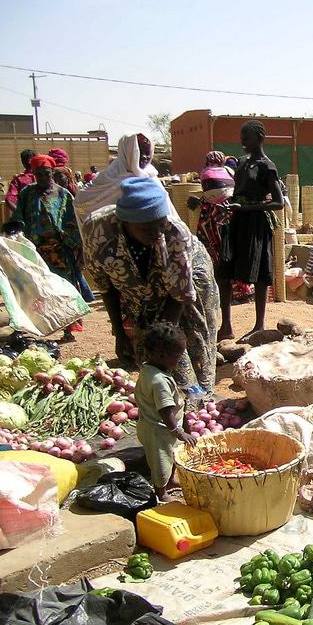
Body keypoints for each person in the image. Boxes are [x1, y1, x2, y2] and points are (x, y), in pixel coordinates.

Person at [82, 176, 219, 392]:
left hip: (188, 279)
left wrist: (163, 343)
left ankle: (200, 396)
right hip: (140, 288)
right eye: (147, 229)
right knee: (146, 349)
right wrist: (119, 332)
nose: (157, 235)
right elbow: (106, 286)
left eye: (160, 226)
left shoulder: (174, 235)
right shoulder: (98, 232)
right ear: (125, 223)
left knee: (187, 343)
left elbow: (180, 297)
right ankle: (164, 396)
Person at [12, 154, 92, 336]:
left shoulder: (64, 194)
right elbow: (19, 217)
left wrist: (78, 250)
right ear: (33, 174)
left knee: (64, 288)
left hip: (60, 251)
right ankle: (41, 326)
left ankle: (68, 328)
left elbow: (74, 223)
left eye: (46, 174)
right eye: (38, 174)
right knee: (38, 289)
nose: (42, 178)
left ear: (52, 173)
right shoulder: (27, 194)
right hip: (36, 251)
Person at [218, 121, 282, 342]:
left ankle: (259, 326)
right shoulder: (242, 163)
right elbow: (238, 192)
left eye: (246, 137)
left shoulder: (268, 166)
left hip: (256, 225)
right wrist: (230, 205)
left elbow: (278, 203)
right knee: (224, 272)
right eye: (241, 137)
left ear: (259, 137)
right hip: (237, 221)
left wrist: (248, 207)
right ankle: (226, 325)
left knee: (260, 275)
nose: (242, 141)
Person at [135, 321, 197, 501]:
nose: (178, 363)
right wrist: (179, 431)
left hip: (159, 428)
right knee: (161, 462)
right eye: (176, 358)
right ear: (162, 355)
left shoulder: (149, 369)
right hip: (159, 431)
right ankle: (160, 492)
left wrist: (179, 392)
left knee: (172, 457)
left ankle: (170, 481)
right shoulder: (159, 381)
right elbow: (164, 410)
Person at [189, 151, 237, 339]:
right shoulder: (229, 175)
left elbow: (209, 201)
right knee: (224, 282)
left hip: (211, 236)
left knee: (215, 280)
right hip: (226, 232)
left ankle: (222, 326)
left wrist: (198, 201)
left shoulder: (206, 175)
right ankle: (225, 324)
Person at [76, 133, 161, 228]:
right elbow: (81, 202)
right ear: (126, 152)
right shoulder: (109, 176)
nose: (145, 157)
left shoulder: (151, 175)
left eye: (147, 152)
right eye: (139, 151)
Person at [5, 149, 36, 219]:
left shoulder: (18, 179)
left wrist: (21, 214)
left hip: (26, 221)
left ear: (22, 162)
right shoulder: (46, 177)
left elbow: (9, 200)